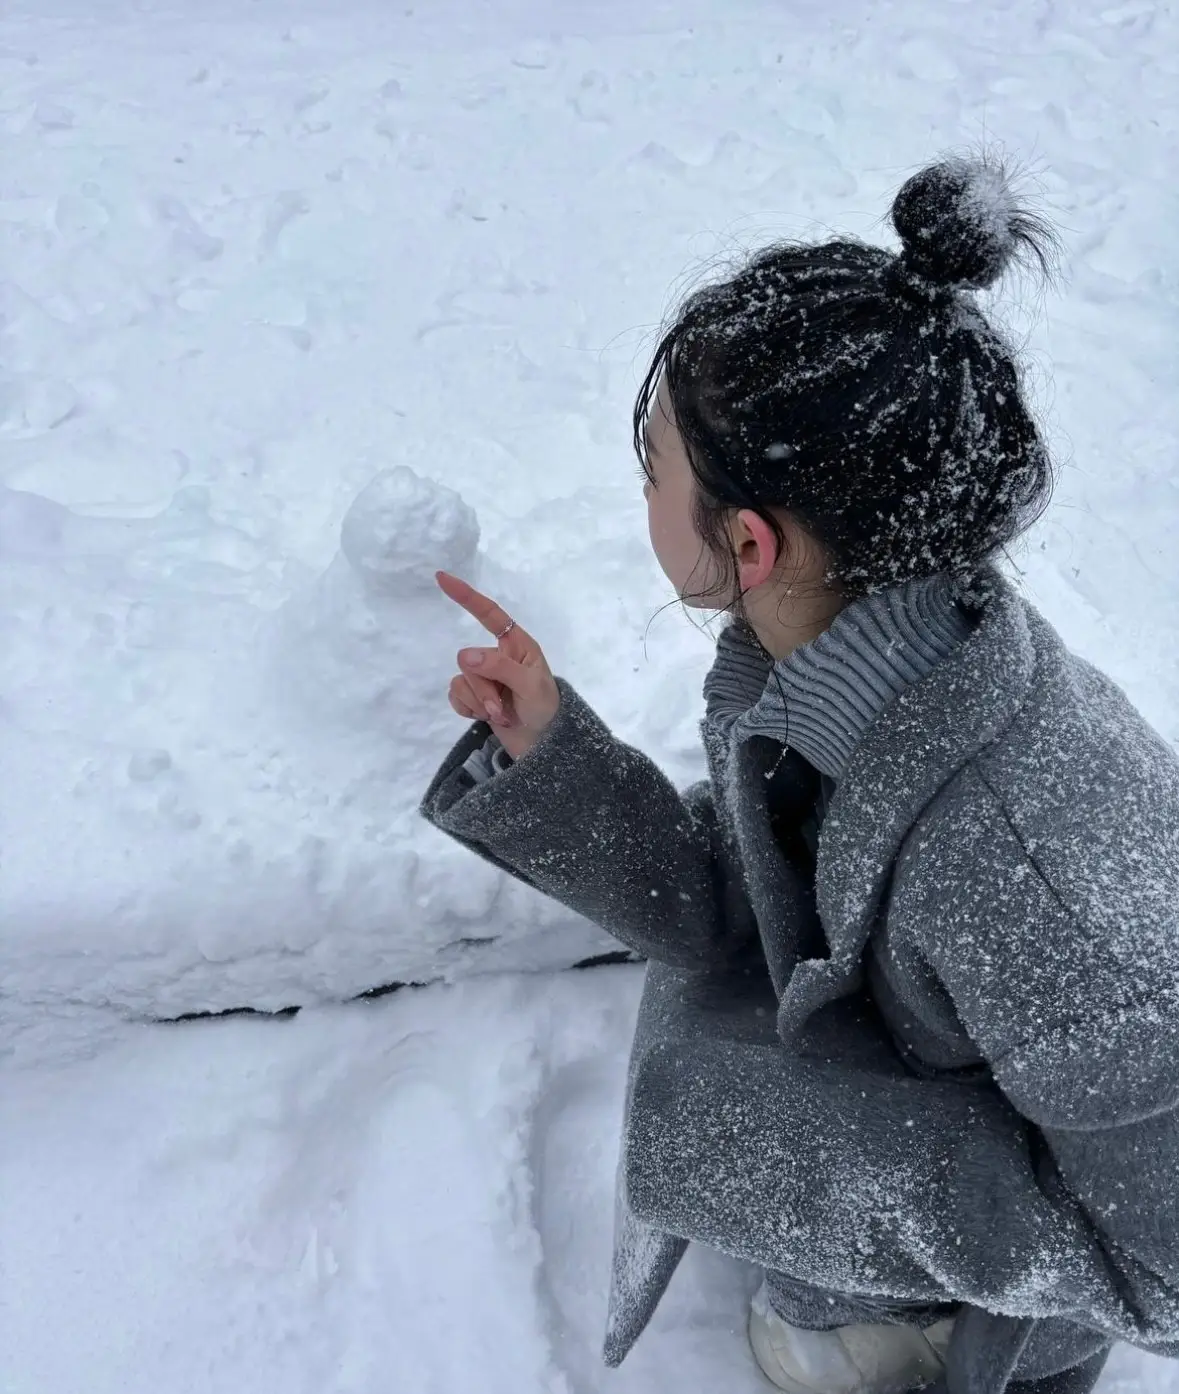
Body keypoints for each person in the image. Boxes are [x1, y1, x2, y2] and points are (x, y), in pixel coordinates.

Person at [420, 155, 1179, 1394]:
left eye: (653, 466)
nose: (644, 491)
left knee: (759, 1184)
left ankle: (904, 1335)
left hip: (1007, 1313)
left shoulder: (1036, 874)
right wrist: (554, 755)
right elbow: (755, 893)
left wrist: (817, 1165)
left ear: (752, 539)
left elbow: (1164, 1264)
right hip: (933, 1107)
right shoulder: (842, 653)